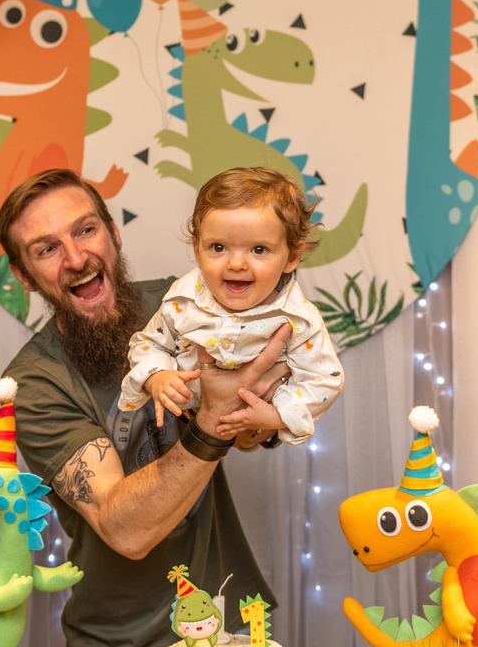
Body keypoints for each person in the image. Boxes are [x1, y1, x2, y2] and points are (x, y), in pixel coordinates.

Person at [0, 168, 285, 647]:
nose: (76, 258)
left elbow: (251, 425)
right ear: (25, 276)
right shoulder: (37, 385)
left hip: (228, 641)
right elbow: (126, 529)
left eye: (86, 230)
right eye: (46, 249)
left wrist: (255, 416)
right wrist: (210, 423)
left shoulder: (181, 306)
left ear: (113, 233)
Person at [119, 167, 343, 445]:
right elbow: (147, 344)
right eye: (218, 247)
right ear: (197, 250)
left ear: (292, 257)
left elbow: (324, 380)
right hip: (187, 421)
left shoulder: (299, 319)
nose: (236, 264)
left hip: (252, 425)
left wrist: (276, 417)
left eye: (258, 249)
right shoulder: (183, 299)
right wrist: (156, 376)